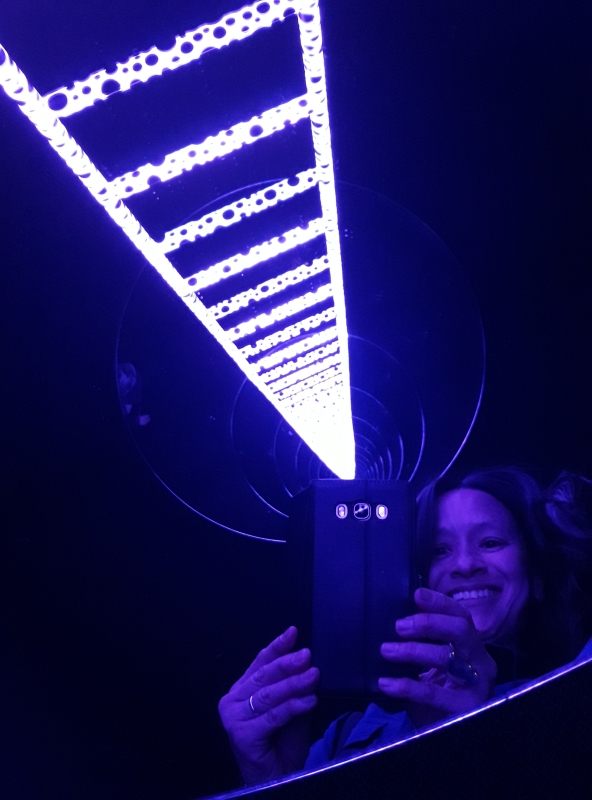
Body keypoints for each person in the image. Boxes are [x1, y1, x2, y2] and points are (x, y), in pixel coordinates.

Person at [218, 467, 592, 786]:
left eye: (491, 542)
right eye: (439, 550)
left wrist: (475, 739)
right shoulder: (345, 737)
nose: (465, 565)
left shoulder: (575, 695)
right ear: (416, 580)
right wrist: (270, 779)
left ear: (537, 574)